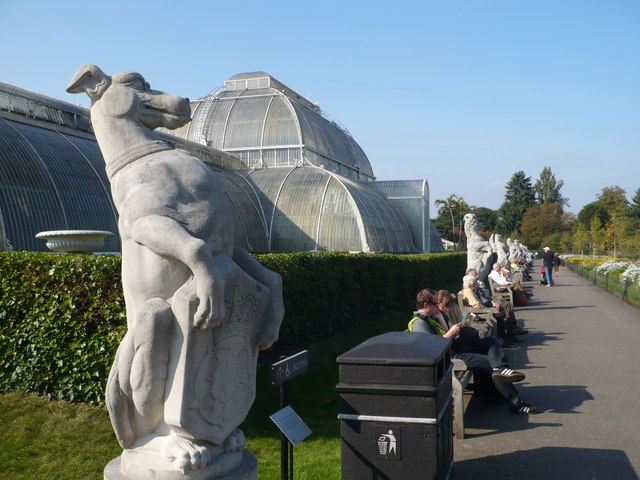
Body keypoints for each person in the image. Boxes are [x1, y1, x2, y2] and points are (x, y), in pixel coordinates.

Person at [408, 288, 540, 414]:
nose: (438, 306)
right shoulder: (420, 323)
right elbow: (432, 349)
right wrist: (450, 334)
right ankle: (516, 404)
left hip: (453, 348)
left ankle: (499, 371)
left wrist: (443, 320)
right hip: (449, 357)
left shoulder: (431, 317)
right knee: (488, 363)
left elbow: (441, 336)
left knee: (490, 341)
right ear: (426, 304)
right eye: (435, 303)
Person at [461, 273, 527, 346]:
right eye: (474, 282)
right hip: (475, 317)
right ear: (470, 283)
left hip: (482, 309)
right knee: (498, 315)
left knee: (505, 309)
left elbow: (482, 300)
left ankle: (509, 332)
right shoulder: (468, 291)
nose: (475, 283)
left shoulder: (469, 290)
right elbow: (477, 305)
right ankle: (503, 338)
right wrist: (489, 309)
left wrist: (492, 305)